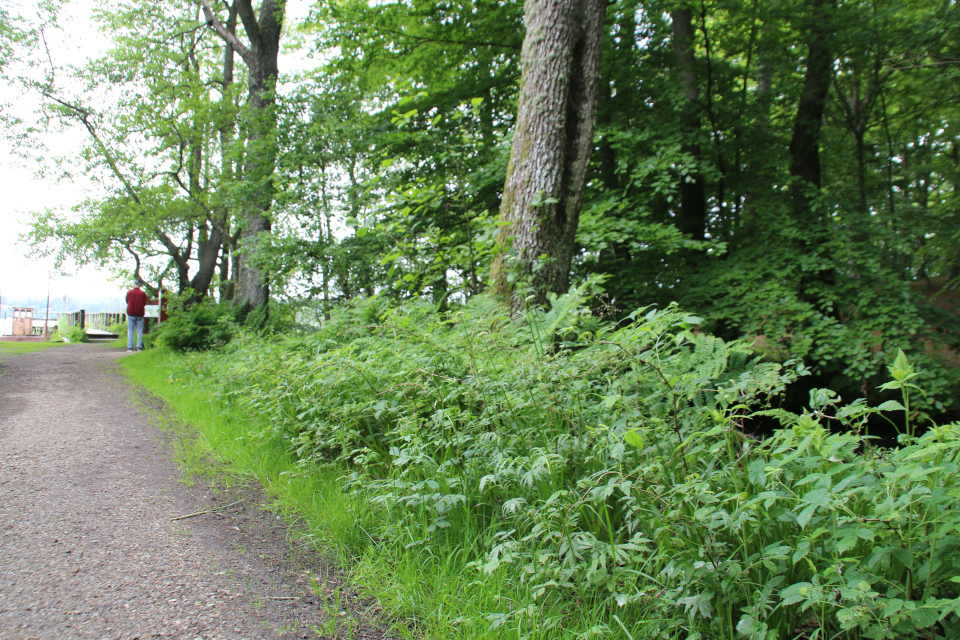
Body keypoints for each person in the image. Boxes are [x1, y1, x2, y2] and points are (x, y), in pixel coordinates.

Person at [125, 279, 148, 352]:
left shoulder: (129, 293)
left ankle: (130, 347)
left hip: (131, 313)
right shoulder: (143, 294)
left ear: (134, 284)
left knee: (130, 331)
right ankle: (139, 347)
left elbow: (127, 301)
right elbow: (144, 303)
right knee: (139, 331)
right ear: (140, 285)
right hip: (140, 314)